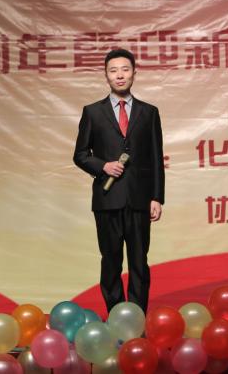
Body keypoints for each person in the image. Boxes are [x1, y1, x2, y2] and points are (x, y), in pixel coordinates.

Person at [73, 48, 165, 313]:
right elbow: (80, 155)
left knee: (139, 262)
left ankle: (136, 317)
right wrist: (103, 166)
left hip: (139, 199)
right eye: (113, 71)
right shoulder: (93, 112)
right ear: (106, 75)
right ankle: (115, 315)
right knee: (111, 261)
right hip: (107, 198)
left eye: (125, 69)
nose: (120, 75)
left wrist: (156, 197)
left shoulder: (149, 112)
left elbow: (156, 158)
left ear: (134, 73)